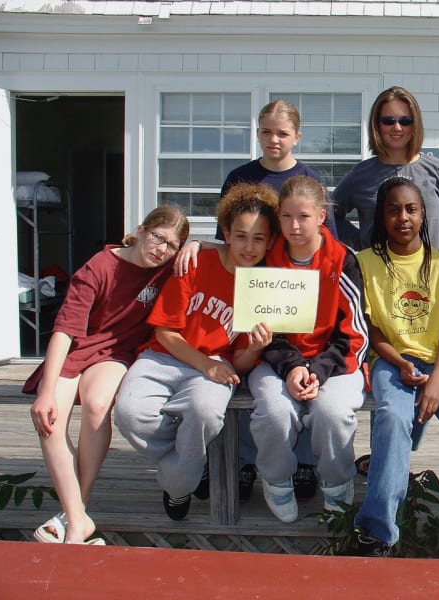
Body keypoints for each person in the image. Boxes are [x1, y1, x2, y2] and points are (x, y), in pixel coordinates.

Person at [174, 99, 329, 503]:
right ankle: (241, 463)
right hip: (249, 283)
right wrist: (195, 242)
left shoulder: (308, 178)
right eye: (265, 131)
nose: (273, 139)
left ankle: (305, 464)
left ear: (297, 135)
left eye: (281, 132)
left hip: (294, 285)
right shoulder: (241, 176)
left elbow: (321, 240)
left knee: (301, 369)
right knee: (248, 367)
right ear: (257, 132)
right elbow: (228, 230)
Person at [349, 176, 439, 559]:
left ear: (423, 214)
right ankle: (378, 530)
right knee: (393, 419)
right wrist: (399, 363)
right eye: (394, 209)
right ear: (382, 216)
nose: (403, 217)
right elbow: (375, 331)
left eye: (411, 209)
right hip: (390, 362)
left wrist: (437, 381)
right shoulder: (366, 263)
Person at [114, 183, 277, 521]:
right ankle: (191, 467)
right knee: (130, 414)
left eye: (258, 238)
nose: (248, 246)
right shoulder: (196, 262)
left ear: (270, 241)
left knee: (203, 412)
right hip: (164, 355)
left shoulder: (264, 285)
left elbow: (243, 361)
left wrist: (256, 347)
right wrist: (205, 365)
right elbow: (165, 331)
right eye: (241, 236)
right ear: (227, 235)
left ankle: (177, 486)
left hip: (217, 362)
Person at [28, 205, 189, 545]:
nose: (160, 249)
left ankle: (76, 510)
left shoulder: (167, 268)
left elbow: (219, 249)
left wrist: (196, 247)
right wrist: (46, 389)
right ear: (142, 230)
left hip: (116, 353)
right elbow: (65, 330)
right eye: (157, 237)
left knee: (97, 405)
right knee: (50, 420)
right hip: (75, 349)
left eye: (171, 245)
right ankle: (78, 520)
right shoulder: (99, 267)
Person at [248, 175, 368, 523]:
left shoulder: (343, 260)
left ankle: (337, 483)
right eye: (286, 217)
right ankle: (276, 479)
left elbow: (354, 333)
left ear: (321, 216)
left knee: (332, 413)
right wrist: (292, 367)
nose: (294, 226)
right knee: (273, 411)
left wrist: (317, 371)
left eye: (303, 216)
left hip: (335, 362)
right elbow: (264, 326)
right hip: (278, 359)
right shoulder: (267, 261)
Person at [332, 86, 439, 251]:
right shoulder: (360, 174)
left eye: (405, 121)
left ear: (415, 124)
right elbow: (328, 215)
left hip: (428, 274)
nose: (397, 127)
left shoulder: (438, 171)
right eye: (388, 120)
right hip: (376, 275)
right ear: (377, 124)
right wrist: (360, 241)